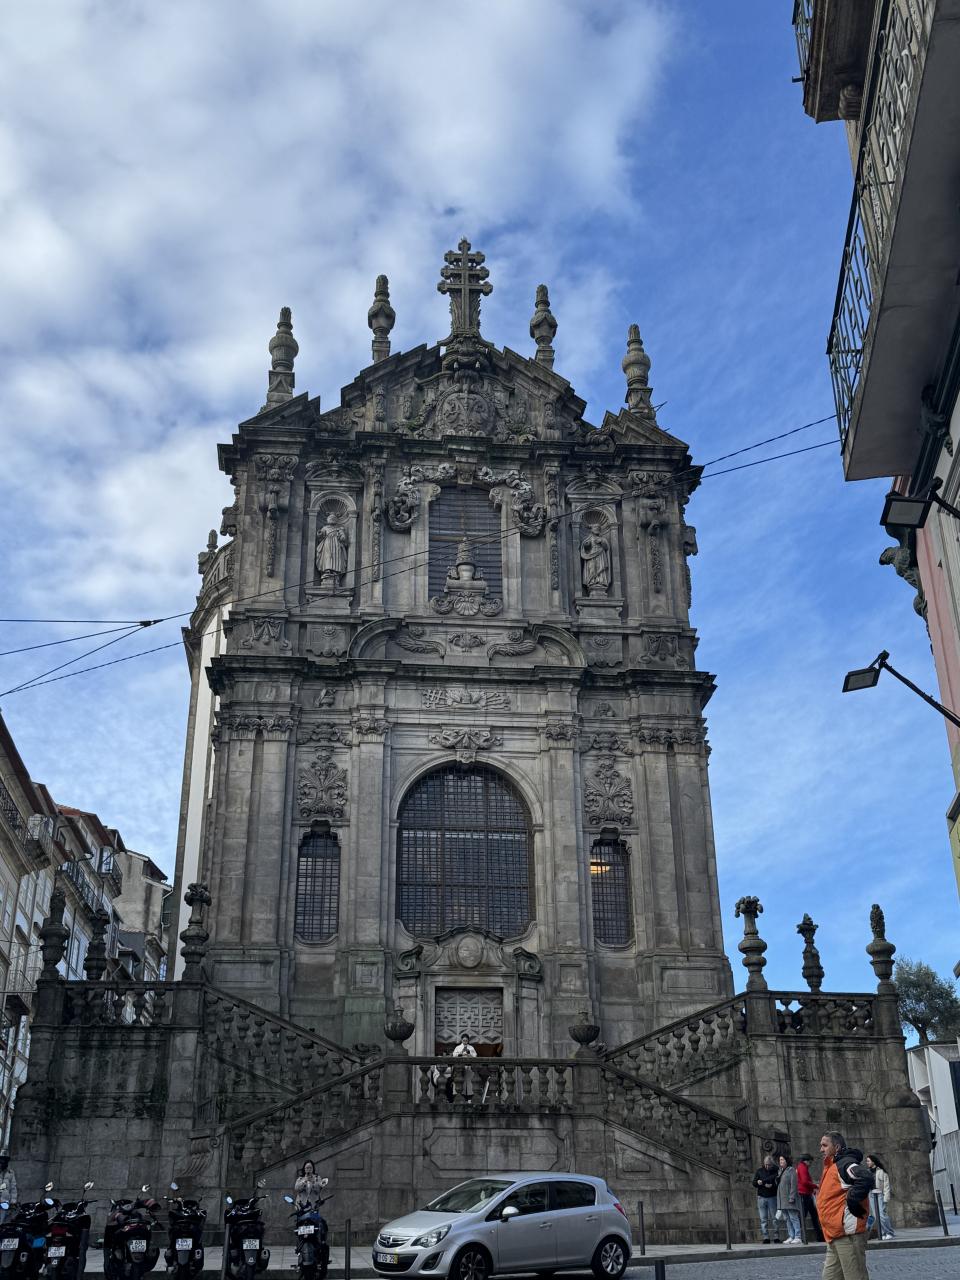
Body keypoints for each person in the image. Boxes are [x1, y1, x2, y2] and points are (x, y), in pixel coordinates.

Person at [816, 1131, 875, 1280]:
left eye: (824, 1145)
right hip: (835, 1234)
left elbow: (865, 1177)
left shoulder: (844, 1164)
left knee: (855, 1276)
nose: (821, 1149)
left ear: (836, 1147)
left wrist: (853, 1199)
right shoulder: (833, 1165)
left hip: (847, 1234)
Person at [865, 1155, 895, 1240]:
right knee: (876, 1216)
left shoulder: (882, 1172)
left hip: (880, 1194)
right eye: (867, 1161)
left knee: (882, 1215)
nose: (867, 1163)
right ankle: (882, 1233)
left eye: (868, 1161)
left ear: (873, 1161)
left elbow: (886, 1186)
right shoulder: (867, 1172)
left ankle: (889, 1232)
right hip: (871, 1195)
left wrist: (886, 1198)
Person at [752, 1154, 779, 1243]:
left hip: (772, 1197)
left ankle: (776, 1237)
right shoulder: (759, 1171)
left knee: (775, 1218)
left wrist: (771, 1185)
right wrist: (758, 1182)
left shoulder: (776, 1170)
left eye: (769, 1165)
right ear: (764, 1163)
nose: (767, 1166)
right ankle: (766, 1237)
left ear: (772, 1164)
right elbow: (754, 1183)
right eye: (766, 1164)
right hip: (761, 1197)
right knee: (763, 1219)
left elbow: (777, 1182)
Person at [797, 1153, 824, 1241]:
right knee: (809, 1215)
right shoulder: (803, 1167)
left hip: (805, 1194)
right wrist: (815, 1186)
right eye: (810, 1162)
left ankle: (818, 1236)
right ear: (806, 1161)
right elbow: (805, 1181)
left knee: (811, 1215)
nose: (811, 1164)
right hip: (805, 1194)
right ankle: (802, 1236)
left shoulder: (801, 1167)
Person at [776, 1154, 802, 1243]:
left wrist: (792, 1197)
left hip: (789, 1199)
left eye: (782, 1160)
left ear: (787, 1161)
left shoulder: (791, 1170)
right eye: (780, 1160)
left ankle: (798, 1236)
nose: (781, 1161)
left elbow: (794, 1184)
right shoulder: (780, 1171)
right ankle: (791, 1236)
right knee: (787, 1218)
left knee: (793, 1217)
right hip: (782, 1200)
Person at [450, 1032, 477, 1102]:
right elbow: (454, 1055)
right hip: (460, 1068)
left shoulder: (471, 1048)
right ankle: (460, 1097)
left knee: (469, 1083)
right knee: (460, 1083)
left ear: (468, 1040)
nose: (465, 1042)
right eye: (464, 1040)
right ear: (461, 1040)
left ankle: (469, 1098)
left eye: (466, 1040)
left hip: (469, 1068)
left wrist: (469, 1054)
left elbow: (475, 1056)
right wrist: (461, 1054)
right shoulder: (458, 1047)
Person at [0, 1156, 17, 1224]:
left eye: (4, 1161)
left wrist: (13, 1202)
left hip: (4, 1202)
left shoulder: (10, 1173)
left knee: (2, 1221)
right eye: (1, 1161)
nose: (2, 1163)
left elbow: (13, 1188)